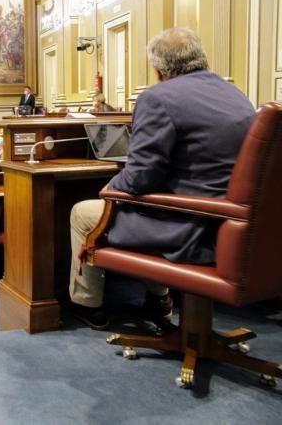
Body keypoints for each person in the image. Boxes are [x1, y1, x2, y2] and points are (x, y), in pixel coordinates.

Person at [67, 27, 256, 329]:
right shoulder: (236, 95)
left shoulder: (158, 98)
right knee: (145, 206)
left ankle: (89, 305)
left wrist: (109, 189)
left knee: (84, 212)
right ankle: (158, 300)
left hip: (192, 228)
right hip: (235, 227)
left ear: (158, 71)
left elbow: (141, 178)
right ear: (201, 58)